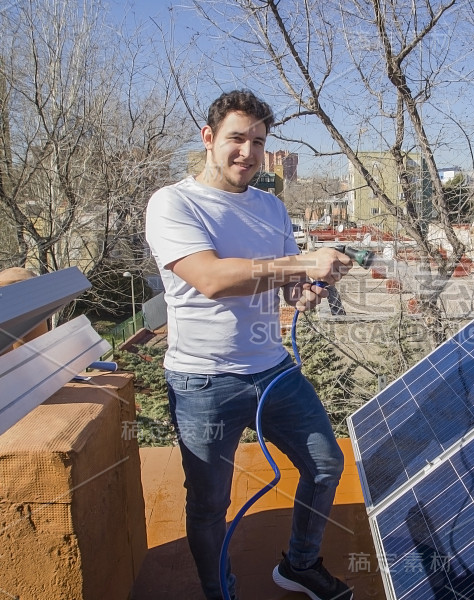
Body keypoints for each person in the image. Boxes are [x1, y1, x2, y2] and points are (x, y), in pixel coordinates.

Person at [145, 90, 353, 600]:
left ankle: (300, 565)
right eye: (237, 138)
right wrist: (305, 262)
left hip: (274, 371)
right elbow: (212, 278)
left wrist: (308, 290)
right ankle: (220, 592)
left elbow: (286, 287)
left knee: (325, 466)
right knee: (209, 502)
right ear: (209, 138)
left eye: (258, 141)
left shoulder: (271, 207)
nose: (248, 152)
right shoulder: (173, 202)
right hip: (202, 381)